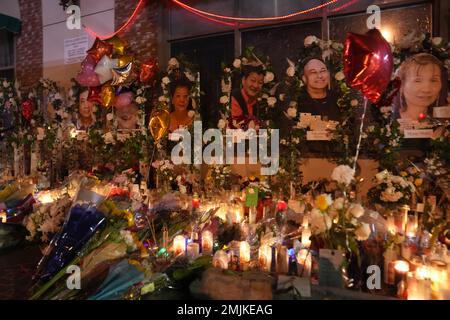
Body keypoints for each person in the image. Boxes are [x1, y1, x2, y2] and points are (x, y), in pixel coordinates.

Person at [394, 53, 445, 120]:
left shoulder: (444, 123)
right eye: (417, 81)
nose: (426, 89)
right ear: (402, 85)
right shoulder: (385, 122)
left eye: (433, 80)